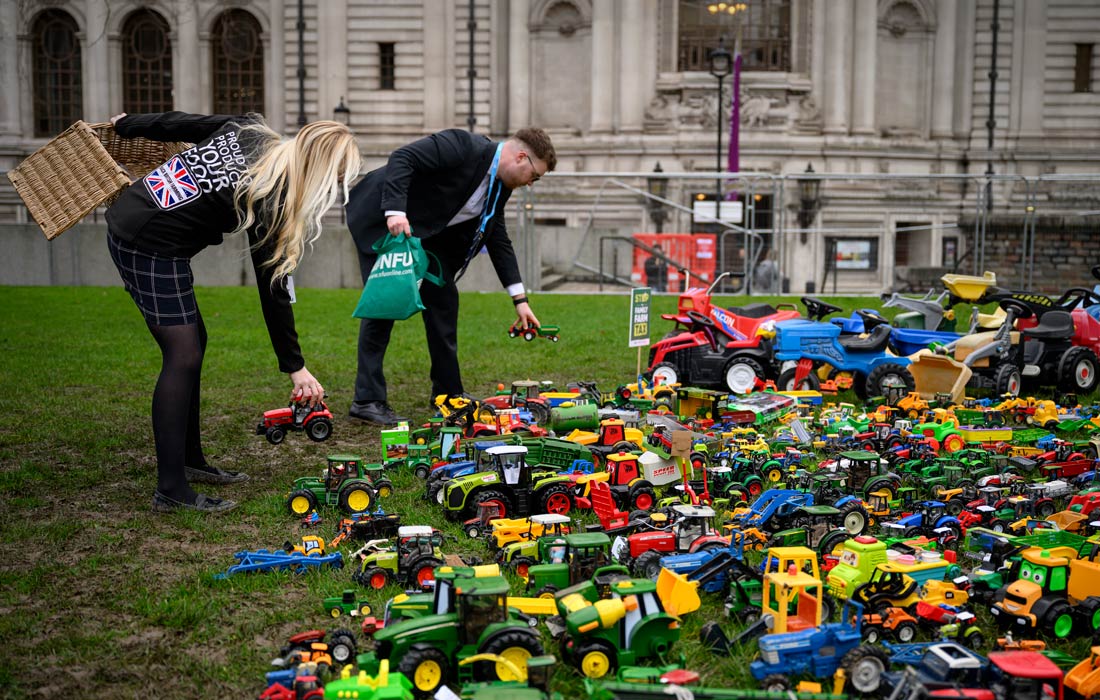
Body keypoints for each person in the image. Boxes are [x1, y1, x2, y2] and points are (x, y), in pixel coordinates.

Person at [104, 111, 361, 513]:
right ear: (321, 171)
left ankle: (190, 460)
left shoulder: (251, 128)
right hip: (146, 242)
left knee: (192, 346)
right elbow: (272, 289)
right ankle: (171, 489)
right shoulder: (268, 193)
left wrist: (129, 124)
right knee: (183, 354)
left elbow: (185, 123)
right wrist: (296, 367)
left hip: (145, 225)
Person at [345, 127, 556, 426]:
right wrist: (395, 211)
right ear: (522, 157)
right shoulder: (462, 145)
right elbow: (403, 158)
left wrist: (519, 300)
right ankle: (367, 400)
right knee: (384, 304)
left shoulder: (499, 187)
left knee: (444, 301)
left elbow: (498, 239)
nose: (531, 184)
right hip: (382, 219)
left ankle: (447, 394)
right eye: (535, 176)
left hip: (427, 238)